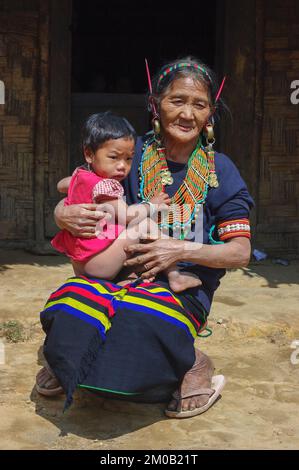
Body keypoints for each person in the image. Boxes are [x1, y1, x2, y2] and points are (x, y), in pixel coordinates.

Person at [36, 56, 254, 418]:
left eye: (199, 105)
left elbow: (240, 253)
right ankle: (75, 360)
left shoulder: (221, 171)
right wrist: (62, 212)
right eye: (177, 101)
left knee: (139, 322)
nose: (187, 114)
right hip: (121, 271)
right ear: (156, 105)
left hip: (183, 285)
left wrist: (179, 249)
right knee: (69, 303)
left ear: (210, 114)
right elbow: (80, 187)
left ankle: (193, 364)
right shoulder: (128, 153)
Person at [52, 112, 202, 293]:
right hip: (98, 262)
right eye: (114, 157)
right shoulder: (106, 186)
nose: (122, 165)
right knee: (144, 225)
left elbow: (61, 185)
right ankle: (175, 274)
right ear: (89, 154)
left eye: (129, 158)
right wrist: (151, 205)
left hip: (80, 261)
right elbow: (127, 216)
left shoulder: (80, 175)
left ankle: (129, 277)